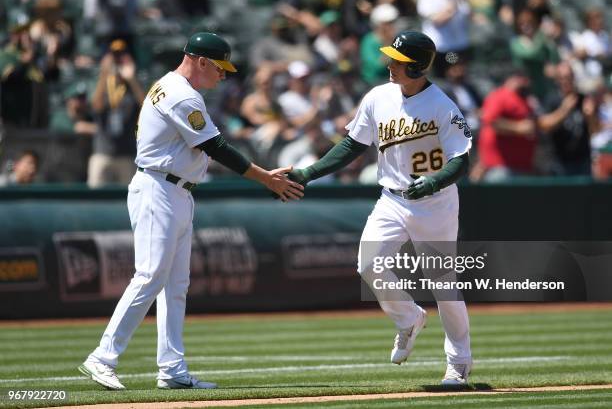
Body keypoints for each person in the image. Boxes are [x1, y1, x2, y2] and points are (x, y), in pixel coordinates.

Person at [78, 32, 304, 391]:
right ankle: (102, 357)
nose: (224, 75)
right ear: (200, 61)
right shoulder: (181, 94)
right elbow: (217, 147)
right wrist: (266, 179)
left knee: (176, 285)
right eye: (219, 68)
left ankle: (172, 369)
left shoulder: (176, 87)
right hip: (158, 188)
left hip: (177, 191)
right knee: (151, 275)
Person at [288, 31, 473, 385]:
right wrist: (308, 173)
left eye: (398, 61)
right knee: (369, 264)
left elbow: (462, 160)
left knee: (442, 284)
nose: (389, 64)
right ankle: (408, 319)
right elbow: (351, 146)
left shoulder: (442, 105)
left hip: (434, 204)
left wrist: (435, 181)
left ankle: (459, 362)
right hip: (391, 197)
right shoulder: (378, 97)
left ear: (417, 66)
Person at [89, 39, 145, 188]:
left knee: (129, 198)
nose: (118, 60)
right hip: (102, 152)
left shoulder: (134, 85)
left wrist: (132, 79)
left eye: (122, 55)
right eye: (115, 55)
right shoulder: (103, 83)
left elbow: (147, 108)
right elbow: (96, 106)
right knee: (95, 196)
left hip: (126, 154)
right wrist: (104, 74)